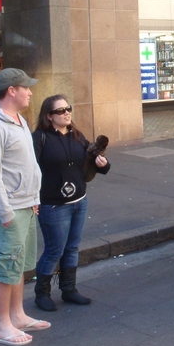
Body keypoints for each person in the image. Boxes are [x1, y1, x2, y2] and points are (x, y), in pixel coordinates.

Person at [0, 68, 50, 346]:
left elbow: (25, 165)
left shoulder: (17, 119)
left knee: (18, 266)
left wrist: (33, 199)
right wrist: (5, 213)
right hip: (6, 210)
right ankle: (3, 326)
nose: (30, 92)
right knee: (6, 268)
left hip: (26, 205)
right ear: (11, 91)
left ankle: (17, 316)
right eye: (26, 88)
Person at [31, 95, 110, 312]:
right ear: (49, 116)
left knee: (72, 248)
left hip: (79, 202)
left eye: (68, 108)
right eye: (60, 110)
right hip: (53, 205)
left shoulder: (76, 135)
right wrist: (31, 198)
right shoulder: (39, 138)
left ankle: (69, 289)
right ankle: (42, 293)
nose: (67, 113)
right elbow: (29, 170)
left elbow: (90, 160)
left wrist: (102, 164)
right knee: (54, 249)